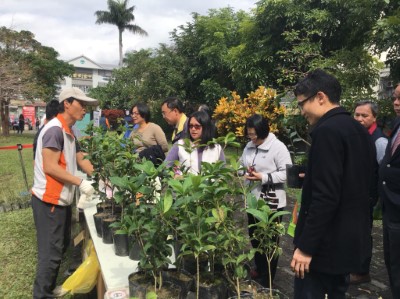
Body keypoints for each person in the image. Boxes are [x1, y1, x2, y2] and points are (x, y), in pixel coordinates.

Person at [291, 69, 375, 298]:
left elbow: (326, 196)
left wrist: (306, 247)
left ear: (320, 97)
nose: (301, 112)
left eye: (301, 104)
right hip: (348, 243)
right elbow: (362, 183)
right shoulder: (359, 131)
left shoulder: (326, 132)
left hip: (323, 248)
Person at [31, 87, 98, 298]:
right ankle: (41, 294)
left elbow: (81, 159)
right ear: (67, 103)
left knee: (58, 249)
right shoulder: (54, 130)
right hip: (49, 201)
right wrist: (80, 182)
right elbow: (50, 166)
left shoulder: (69, 131)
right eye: (81, 104)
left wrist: (103, 176)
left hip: (61, 201)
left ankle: (47, 289)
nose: (85, 109)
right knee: (50, 254)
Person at [239, 113, 292, 287]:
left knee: (269, 241)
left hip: (271, 202)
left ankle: (268, 276)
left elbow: (286, 174)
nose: (251, 138)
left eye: (254, 134)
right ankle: (259, 268)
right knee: (255, 237)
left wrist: (262, 177)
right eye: (249, 134)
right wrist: (242, 172)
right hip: (253, 200)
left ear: (263, 132)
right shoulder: (249, 146)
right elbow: (241, 165)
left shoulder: (278, 147)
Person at [351, 100, 388, 284]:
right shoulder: (357, 135)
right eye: (356, 115)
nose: (359, 119)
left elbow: (385, 170)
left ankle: (362, 272)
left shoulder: (379, 141)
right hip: (354, 194)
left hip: (368, 196)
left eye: (364, 115)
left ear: (374, 117)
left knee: (363, 233)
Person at [379, 83, 400, 299]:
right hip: (389, 204)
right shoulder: (397, 123)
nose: (395, 103)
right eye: (395, 98)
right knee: (391, 260)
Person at [165, 110, 225, 174]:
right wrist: (176, 174)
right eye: (191, 126)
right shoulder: (180, 145)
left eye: (197, 126)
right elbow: (166, 167)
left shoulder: (216, 149)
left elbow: (223, 173)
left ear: (205, 127)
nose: (193, 129)